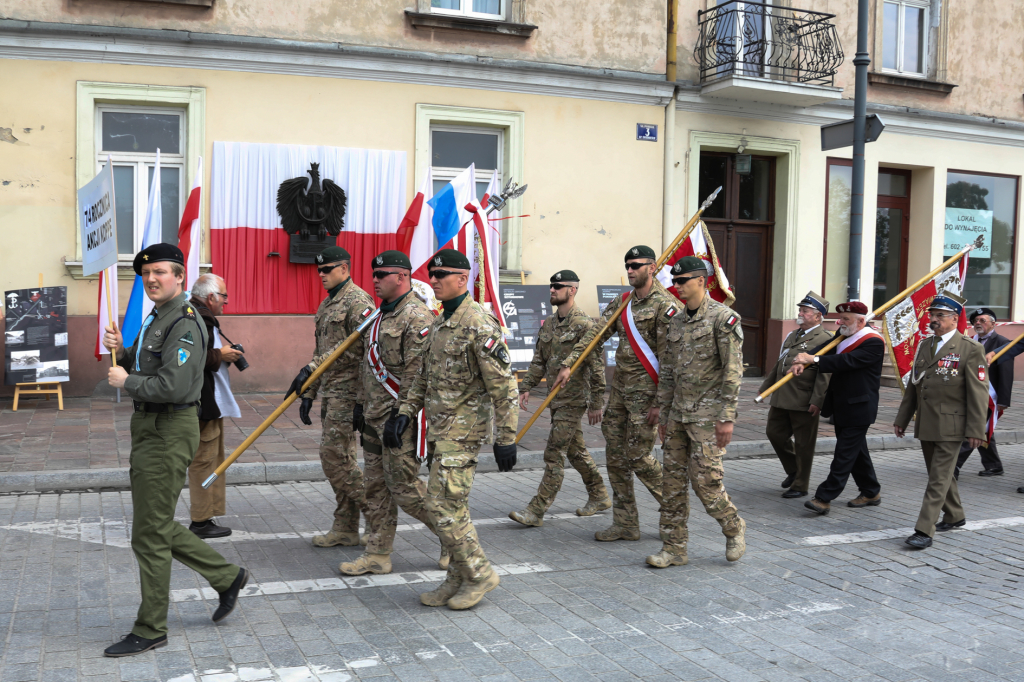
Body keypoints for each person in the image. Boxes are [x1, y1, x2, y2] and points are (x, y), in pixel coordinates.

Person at [101, 244, 248, 658]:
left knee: (148, 533)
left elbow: (174, 385)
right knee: (154, 525)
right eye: (146, 273)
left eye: (161, 272)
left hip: (168, 428)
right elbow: (146, 365)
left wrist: (124, 381)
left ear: (181, 277)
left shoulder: (183, 321)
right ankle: (227, 576)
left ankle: (150, 628)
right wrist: (123, 352)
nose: (152, 279)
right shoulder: (157, 316)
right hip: (149, 426)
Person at [388, 249, 518, 610]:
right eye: (431, 275)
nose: (433, 281)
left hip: (464, 432)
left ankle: (479, 574)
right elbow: (423, 378)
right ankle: (456, 577)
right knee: (451, 508)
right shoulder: (440, 324)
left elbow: (505, 387)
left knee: (442, 507)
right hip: (440, 432)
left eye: (441, 275)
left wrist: (506, 438)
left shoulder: (479, 323)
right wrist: (405, 412)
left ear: (463, 279)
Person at [553, 246, 678, 542]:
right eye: (628, 265)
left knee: (638, 456)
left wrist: (661, 403)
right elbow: (596, 333)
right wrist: (570, 364)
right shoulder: (623, 303)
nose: (630, 269)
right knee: (616, 457)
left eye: (636, 265)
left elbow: (671, 359)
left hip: (647, 396)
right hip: (620, 394)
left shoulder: (666, 306)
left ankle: (675, 512)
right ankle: (625, 523)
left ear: (652, 267)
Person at [339, 250, 447, 576]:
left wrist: (403, 415)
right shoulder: (379, 316)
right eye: (373, 273)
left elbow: (418, 374)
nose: (374, 279)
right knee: (375, 488)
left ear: (401, 277)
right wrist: (360, 403)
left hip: (400, 420)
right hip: (374, 415)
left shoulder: (417, 317)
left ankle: (454, 540)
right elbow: (367, 365)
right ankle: (377, 553)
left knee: (405, 488)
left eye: (381, 274)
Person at [650, 256, 746, 567]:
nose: (676, 286)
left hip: (708, 417)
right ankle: (674, 548)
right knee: (672, 484)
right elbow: (668, 372)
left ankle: (733, 527)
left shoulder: (723, 318)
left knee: (705, 482)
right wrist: (663, 415)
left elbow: (733, 371)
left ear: (702, 282)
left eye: (682, 281)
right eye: (674, 281)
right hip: (678, 415)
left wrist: (726, 417)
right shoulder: (676, 321)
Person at [286, 246, 375, 548]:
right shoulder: (327, 305)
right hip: (332, 392)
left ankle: (378, 516)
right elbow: (320, 351)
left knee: (334, 458)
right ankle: (346, 526)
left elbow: (359, 349)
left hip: (351, 392)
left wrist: (362, 402)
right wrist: (310, 390)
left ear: (345, 268)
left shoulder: (359, 301)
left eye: (328, 269)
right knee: (342, 458)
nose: (321, 274)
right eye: (319, 270)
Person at [510, 269, 610, 527]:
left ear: (572, 290)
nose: (552, 290)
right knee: (575, 451)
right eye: (551, 286)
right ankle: (599, 495)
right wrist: (527, 386)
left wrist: (596, 403)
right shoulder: (550, 324)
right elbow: (539, 360)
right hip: (555, 399)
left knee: (554, 452)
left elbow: (596, 367)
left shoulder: (584, 325)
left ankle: (536, 510)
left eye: (558, 286)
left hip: (574, 399)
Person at [894, 292, 989, 549]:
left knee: (937, 479)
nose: (933, 319)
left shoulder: (970, 348)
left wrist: (976, 430)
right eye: (932, 315)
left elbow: (978, 393)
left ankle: (924, 530)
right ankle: (955, 515)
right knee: (941, 475)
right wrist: (902, 418)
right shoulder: (925, 345)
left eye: (939, 316)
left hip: (952, 425)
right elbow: (915, 386)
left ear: (954, 319)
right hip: (927, 422)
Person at [790, 301, 883, 515]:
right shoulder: (845, 335)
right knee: (857, 452)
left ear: (861, 321)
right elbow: (825, 349)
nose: (840, 322)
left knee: (844, 454)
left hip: (860, 407)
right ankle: (871, 491)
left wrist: (813, 358)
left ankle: (824, 497)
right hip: (842, 405)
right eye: (840, 319)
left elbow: (845, 361)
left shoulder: (873, 342)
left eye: (846, 319)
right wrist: (803, 360)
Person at [186, 273, 245, 539]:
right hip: (202, 401)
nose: (226, 302)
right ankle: (200, 521)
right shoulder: (196, 317)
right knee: (204, 461)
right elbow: (188, 358)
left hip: (204, 399)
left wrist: (223, 355)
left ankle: (207, 515)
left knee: (211, 458)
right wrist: (221, 354)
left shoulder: (194, 314)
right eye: (223, 296)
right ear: (210, 297)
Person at [759, 292, 832, 499]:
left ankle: (801, 485)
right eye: (800, 310)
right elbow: (780, 362)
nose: (800, 313)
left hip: (803, 398)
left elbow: (825, 373)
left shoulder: (825, 339)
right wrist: (767, 385)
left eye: (805, 311)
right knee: (775, 433)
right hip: (782, 395)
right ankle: (793, 470)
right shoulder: (793, 335)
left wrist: (817, 400)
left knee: (804, 443)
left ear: (818, 316)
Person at [955, 307, 1011, 478]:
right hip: (972, 393)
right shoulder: (970, 340)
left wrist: (1003, 400)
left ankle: (953, 466)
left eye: (982, 320)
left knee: (974, 429)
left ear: (993, 323)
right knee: (984, 429)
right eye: (975, 321)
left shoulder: (1003, 342)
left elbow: (1006, 374)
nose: (977, 323)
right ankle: (994, 465)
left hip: (990, 397)